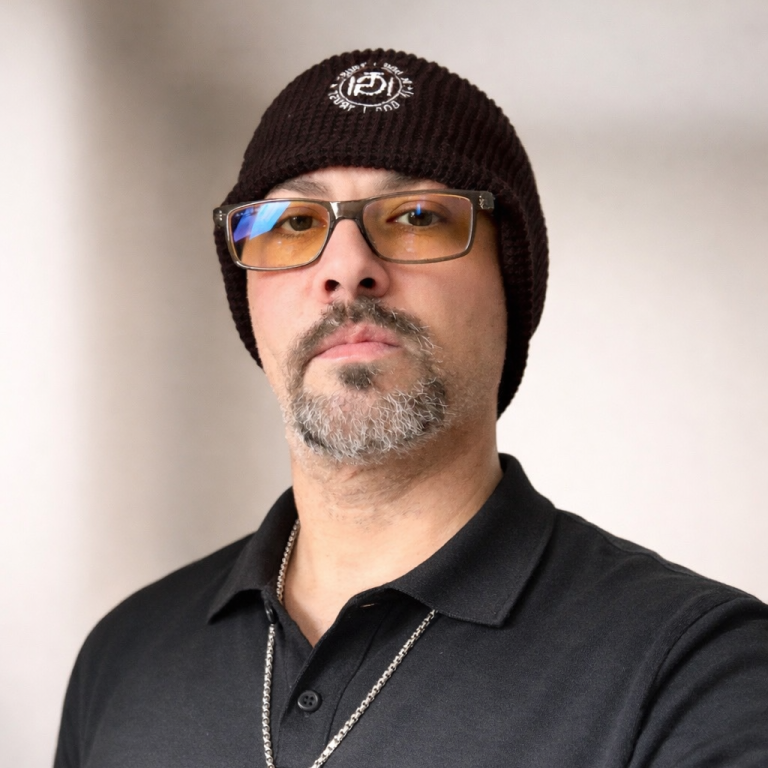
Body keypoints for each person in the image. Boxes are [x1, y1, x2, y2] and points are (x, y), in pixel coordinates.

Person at [54, 49, 768, 768]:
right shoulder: (123, 657)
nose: (346, 267)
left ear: (510, 285)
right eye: (294, 223)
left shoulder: (700, 668)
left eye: (418, 216)